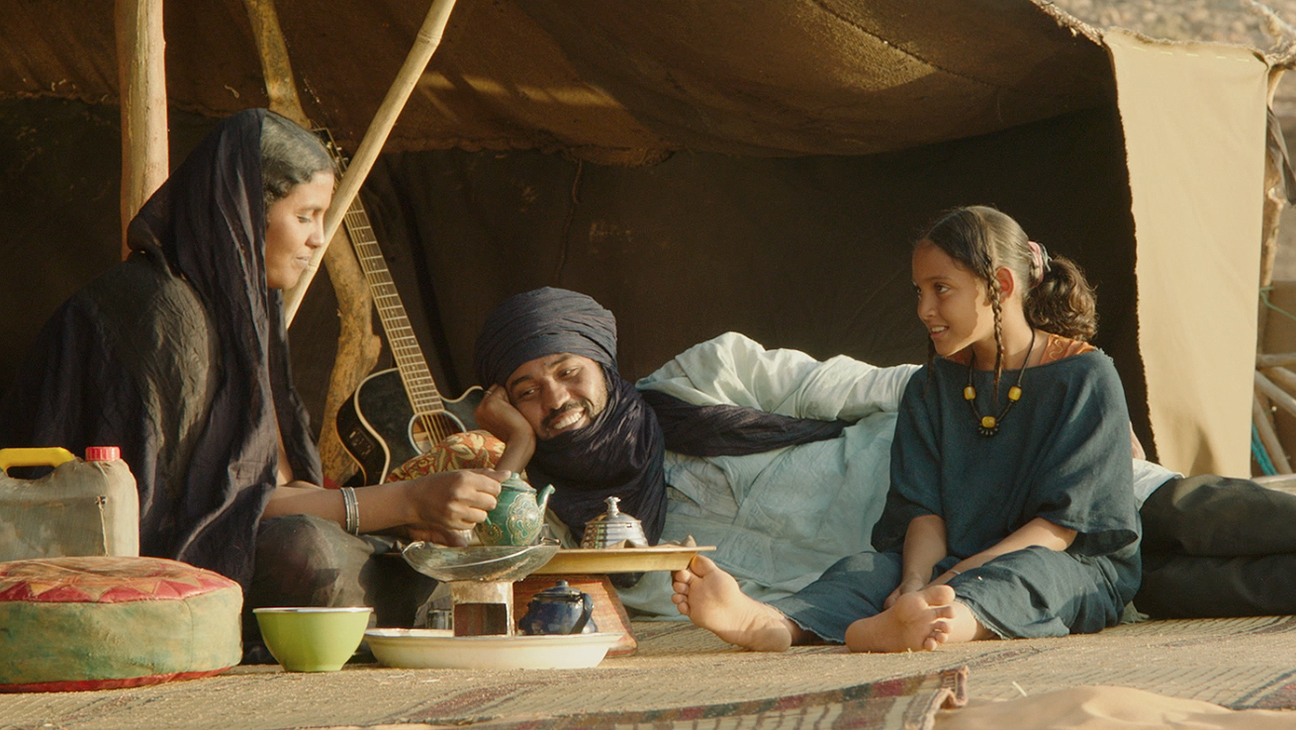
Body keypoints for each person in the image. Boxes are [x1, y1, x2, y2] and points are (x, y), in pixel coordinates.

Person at [0, 109, 504, 652]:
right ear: (243, 213)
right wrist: (398, 503)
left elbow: (271, 488)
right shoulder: (162, 314)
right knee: (308, 554)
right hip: (114, 571)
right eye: (306, 215)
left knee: (428, 560)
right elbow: (191, 520)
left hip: (231, 536)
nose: (318, 238)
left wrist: (401, 516)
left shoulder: (246, 311)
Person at [671, 205, 1142, 652]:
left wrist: (946, 584)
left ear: (999, 285)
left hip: (1068, 562)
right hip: (948, 564)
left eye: (941, 288)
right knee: (867, 572)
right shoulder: (929, 385)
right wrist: (914, 582)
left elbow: (1058, 530)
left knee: (1028, 577)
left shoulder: (1086, 375)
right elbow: (923, 511)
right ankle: (774, 623)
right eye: (919, 291)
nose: (924, 309)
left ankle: (937, 623)